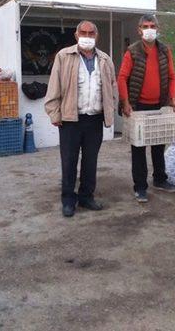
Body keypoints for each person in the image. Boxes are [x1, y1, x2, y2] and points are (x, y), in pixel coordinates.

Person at [45, 21, 118, 217]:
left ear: (97, 36)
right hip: (70, 120)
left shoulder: (104, 59)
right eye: (83, 32)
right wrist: (54, 113)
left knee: (90, 161)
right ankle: (68, 200)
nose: (87, 36)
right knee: (69, 161)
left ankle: (86, 197)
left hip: (94, 118)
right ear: (76, 35)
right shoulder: (64, 56)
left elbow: (112, 86)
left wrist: (110, 110)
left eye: (91, 33)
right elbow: (54, 86)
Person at [118, 14, 175, 203]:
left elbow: (172, 77)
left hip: (159, 104)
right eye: (145, 26)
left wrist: (174, 97)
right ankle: (140, 187)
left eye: (152, 25)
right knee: (138, 148)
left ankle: (160, 179)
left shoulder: (164, 50)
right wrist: (126, 102)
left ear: (158, 29)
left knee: (159, 144)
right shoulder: (132, 51)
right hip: (138, 106)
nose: (149, 29)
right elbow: (121, 78)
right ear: (139, 30)